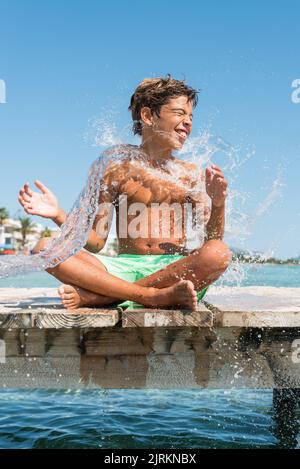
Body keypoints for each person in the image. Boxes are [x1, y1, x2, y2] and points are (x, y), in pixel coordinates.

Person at [18, 76, 231, 311]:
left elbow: (212, 240)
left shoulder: (191, 174)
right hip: (123, 269)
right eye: (180, 113)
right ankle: (149, 295)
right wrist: (57, 214)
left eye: (191, 117)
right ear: (148, 116)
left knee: (218, 254)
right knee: (45, 248)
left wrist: (218, 202)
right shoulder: (116, 171)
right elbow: (96, 242)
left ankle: (104, 296)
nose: (188, 123)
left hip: (173, 271)